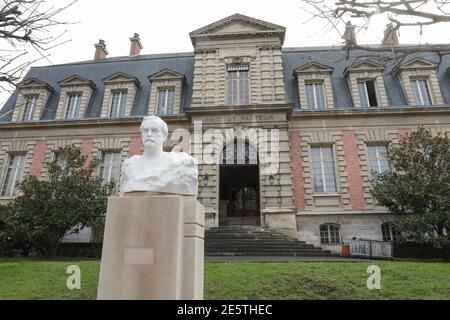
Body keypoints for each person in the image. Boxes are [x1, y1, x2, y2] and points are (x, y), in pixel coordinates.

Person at [120, 116, 198, 196]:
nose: (149, 134)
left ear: (164, 136)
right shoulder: (129, 164)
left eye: (154, 130)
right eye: (145, 131)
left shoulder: (181, 162)